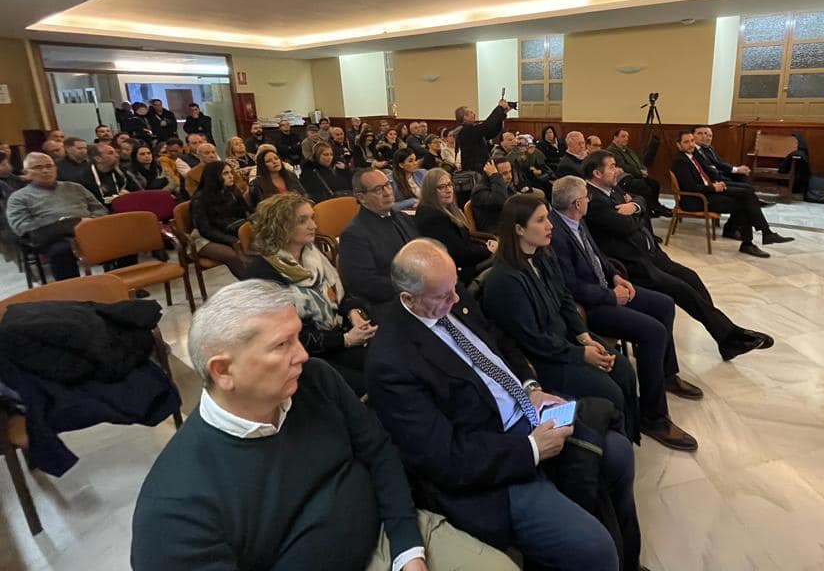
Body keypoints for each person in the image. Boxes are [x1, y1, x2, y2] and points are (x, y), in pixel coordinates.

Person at [132, 280, 510, 571]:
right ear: (224, 370)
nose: (302, 355)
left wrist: (407, 547)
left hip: (392, 533)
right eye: (282, 345)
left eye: (298, 337)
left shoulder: (314, 380)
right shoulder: (175, 507)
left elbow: (378, 451)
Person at [368, 239, 643, 571]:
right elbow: (445, 458)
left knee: (619, 454)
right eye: (444, 296)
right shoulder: (391, 362)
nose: (456, 299)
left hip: (526, 413)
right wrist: (532, 449)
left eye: (455, 287)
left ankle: (626, 556)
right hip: (491, 462)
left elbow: (499, 340)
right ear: (408, 299)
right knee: (595, 549)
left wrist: (530, 387)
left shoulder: (448, 296)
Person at [550, 176, 699, 451]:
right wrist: (610, 295)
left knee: (664, 303)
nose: (590, 200)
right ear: (576, 203)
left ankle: (664, 374)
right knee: (653, 331)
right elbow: (569, 287)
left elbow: (598, 256)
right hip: (592, 307)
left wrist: (616, 278)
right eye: (586, 196)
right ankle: (653, 417)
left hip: (607, 289)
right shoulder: (557, 233)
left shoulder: (576, 220)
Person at [583, 150, 775, 361]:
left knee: (691, 277)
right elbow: (626, 227)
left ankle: (724, 335)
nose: (616, 169)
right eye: (611, 166)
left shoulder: (612, 188)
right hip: (633, 264)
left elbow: (641, 202)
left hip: (650, 254)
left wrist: (634, 206)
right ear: (597, 174)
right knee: (681, 289)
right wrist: (637, 212)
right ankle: (728, 336)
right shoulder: (594, 201)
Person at [483, 194, 641, 444]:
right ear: (519, 229)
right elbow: (534, 340)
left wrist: (585, 337)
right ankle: (613, 447)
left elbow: (565, 299)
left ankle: (630, 435)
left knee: (622, 368)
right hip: (544, 359)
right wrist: (582, 354)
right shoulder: (504, 281)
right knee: (609, 390)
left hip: (566, 339)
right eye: (541, 220)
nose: (551, 226)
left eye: (548, 218)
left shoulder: (543, 255)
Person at [246, 193, 376, 396]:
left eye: (312, 217)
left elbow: (341, 294)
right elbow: (287, 336)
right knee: (372, 383)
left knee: (390, 360)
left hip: (339, 336)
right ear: (280, 226)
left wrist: (354, 314)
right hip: (305, 356)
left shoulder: (313, 256)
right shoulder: (263, 274)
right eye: (302, 220)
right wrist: (345, 340)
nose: (313, 226)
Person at [672, 131, 792, 257]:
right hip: (696, 200)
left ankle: (758, 238)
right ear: (679, 145)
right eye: (686, 142)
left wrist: (717, 182)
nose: (691, 144)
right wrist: (713, 187)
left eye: (692, 141)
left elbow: (708, 170)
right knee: (745, 203)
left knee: (746, 194)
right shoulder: (680, 161)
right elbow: (691, 187)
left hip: (707, 191)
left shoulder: (692, 155)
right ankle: (758, 238)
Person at [5, 153, 107, 279]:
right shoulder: (19, 197)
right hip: (54, 237)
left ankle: (119, 279)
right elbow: (21, 226)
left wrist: (90, 220)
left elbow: (100, 209)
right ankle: (73, 292)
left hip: (88, 228)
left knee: (122, 238)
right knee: (61, 251)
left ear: (56, 168)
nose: (45, 170)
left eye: (49, 166)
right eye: (37, 167)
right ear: (27, 172)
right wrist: (64, 223)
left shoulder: (75, 187)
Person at [339, 168, 419, 306]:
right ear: (361, 197)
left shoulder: (403, 218)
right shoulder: (353, 235)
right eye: (378, 190)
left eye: (388, 185)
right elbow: (366, 283)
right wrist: (413, 288)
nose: (388, 192)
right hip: (394, 302)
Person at [415, 168, 495, 284]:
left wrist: (484, 246)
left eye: (449, 185)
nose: (448, 190)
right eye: (441, 187)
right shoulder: (434, 217)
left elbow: (463, 243)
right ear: (430, 191)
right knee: (504, 259)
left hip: (463, 260)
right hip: (455, 271)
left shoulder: (442, 209)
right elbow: (460, 254)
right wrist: (488, 250)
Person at [188, 161, 250, 279]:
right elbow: (205, 230)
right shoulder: (200, 199)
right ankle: (252, 285)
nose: (231, 176)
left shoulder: (233, 191)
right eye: (225, 173)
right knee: (232, 256)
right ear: (214, 176)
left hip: (229, 230)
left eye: (230, 172)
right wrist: (231, 240)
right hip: (204, 238)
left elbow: (245, 213)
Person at [608, 129, 670, 218]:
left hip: (636, 175)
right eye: (623, 136)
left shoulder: (628, 150)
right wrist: (640, 172)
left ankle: (656, 206)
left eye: (627, 137)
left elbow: (639, 162)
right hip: (624, 178)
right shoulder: (612, 151)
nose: (626, 139)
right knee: (644, 187)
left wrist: (643, 169)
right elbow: (623, 166)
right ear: (615, 137)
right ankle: (648, 210)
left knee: (655, 184)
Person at [455, 98, 510, 174]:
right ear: (465, 117)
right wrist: (499, 108)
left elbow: (491, 132)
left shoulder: (472, 129)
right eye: (470, 112)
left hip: (480, 166)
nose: (473, 113)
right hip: (474, 170)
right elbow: (487, 125)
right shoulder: (466, 131)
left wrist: (502, 114)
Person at [82, 142, 139, 207]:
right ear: (98, 159)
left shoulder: (121, 172)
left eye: (116, 152)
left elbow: (139, 192)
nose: (117, 155)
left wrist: (130, 195)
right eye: (111, 153)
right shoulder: (84, 177)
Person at [469, 158, 515, 233]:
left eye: (510, 172)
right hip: (495, 233)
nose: (510, 176)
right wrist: (495, 176)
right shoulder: (479, 191)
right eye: (504, 173)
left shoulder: (502, 187)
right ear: (489, 174)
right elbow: (500, 201)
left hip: (510, 226)